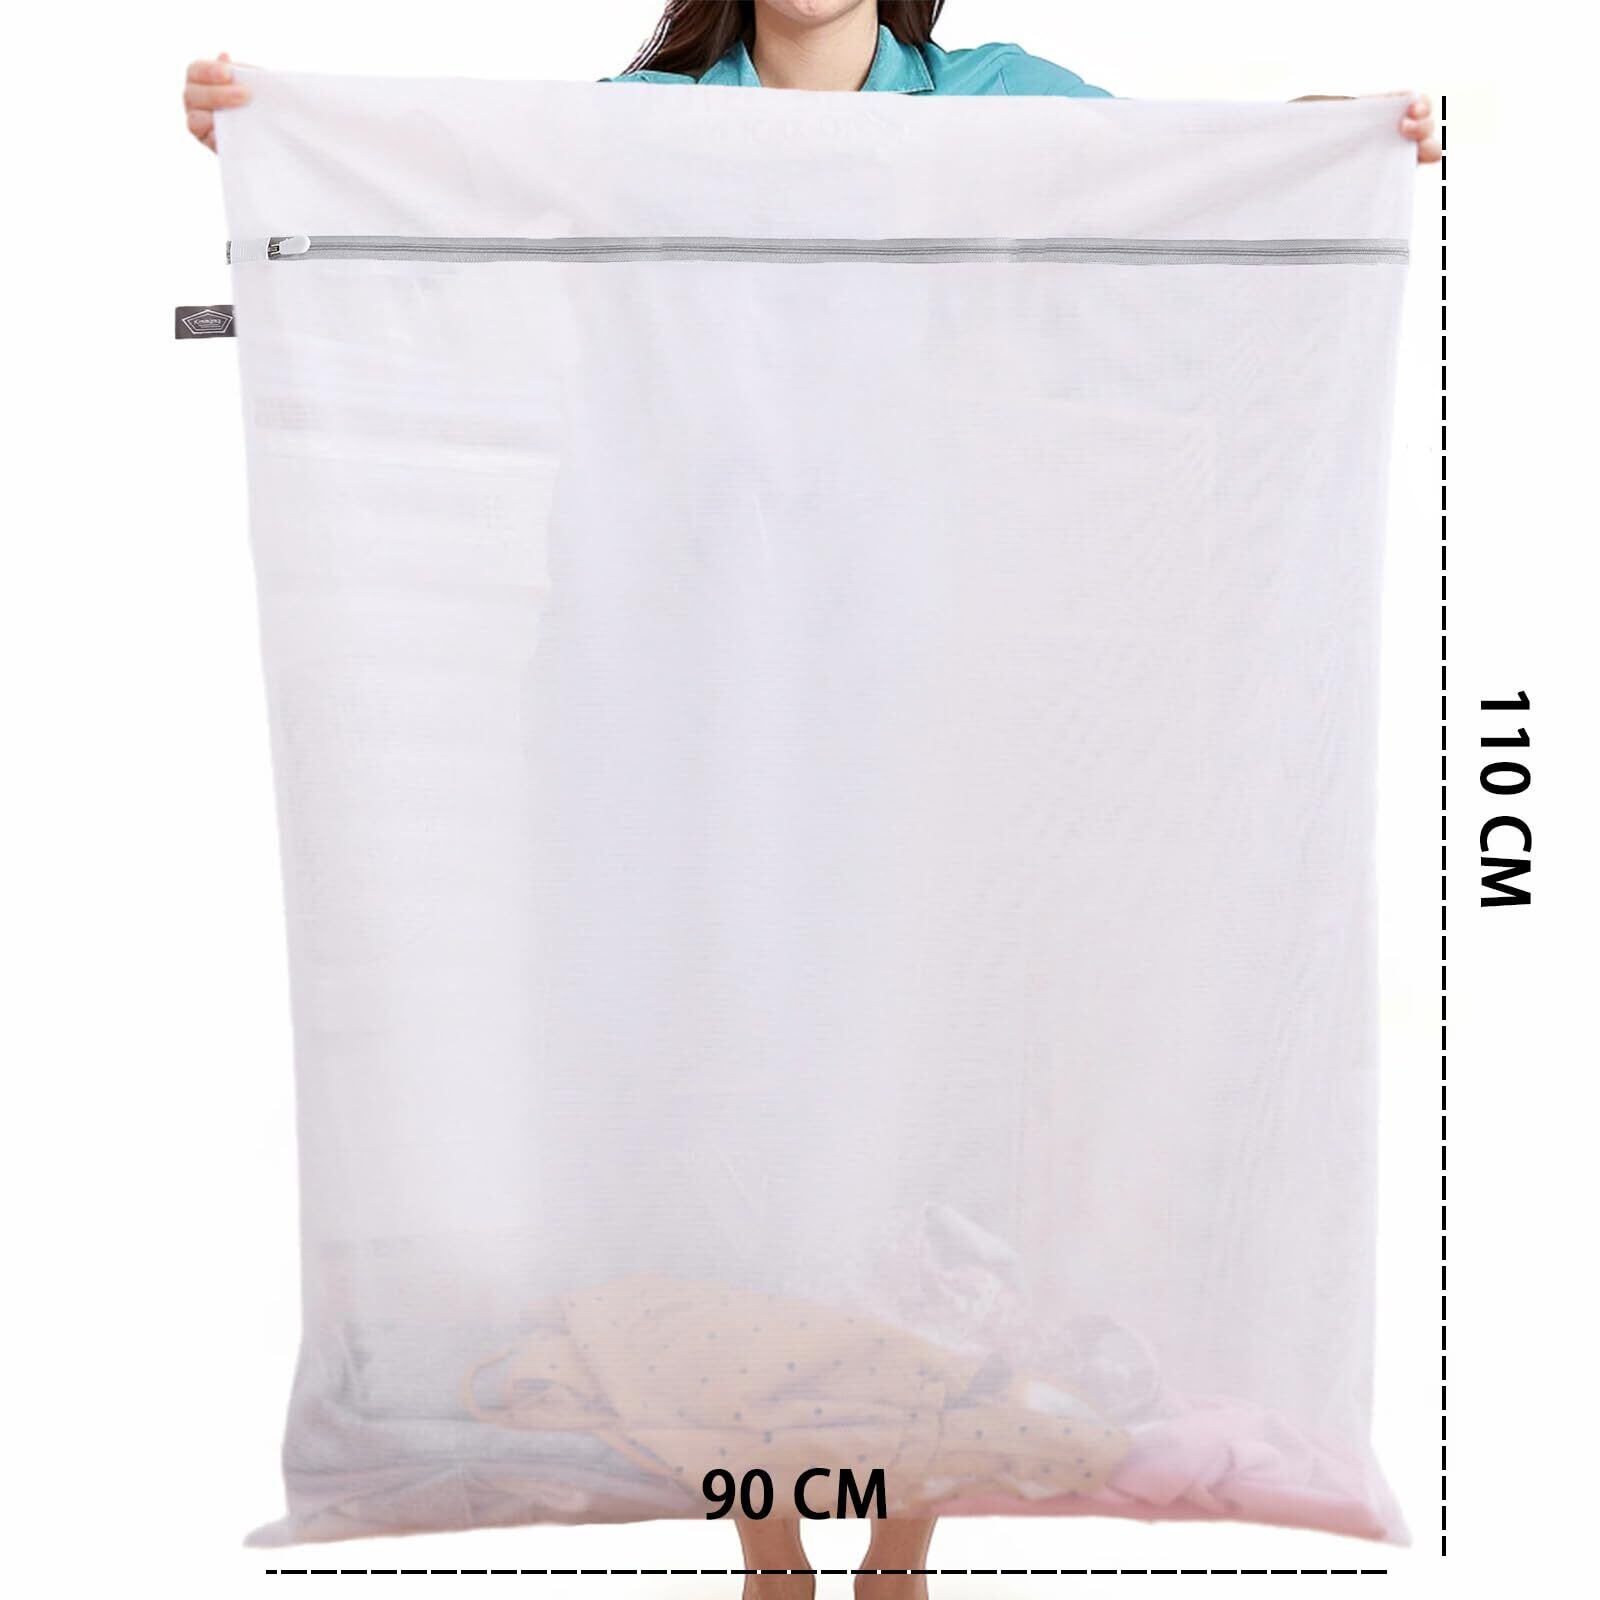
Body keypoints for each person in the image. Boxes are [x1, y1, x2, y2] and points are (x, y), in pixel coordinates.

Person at [183, 4, 1436, 1595]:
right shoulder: (647, 120)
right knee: (718, 1100)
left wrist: (1338, 137)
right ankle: (768, 1534)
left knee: (932, 1113)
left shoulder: (991, 107)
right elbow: (452, 224)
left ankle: (905, 1534)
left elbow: (1177, 178)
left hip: (923, 672)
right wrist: (274, 133)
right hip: (673, 683)